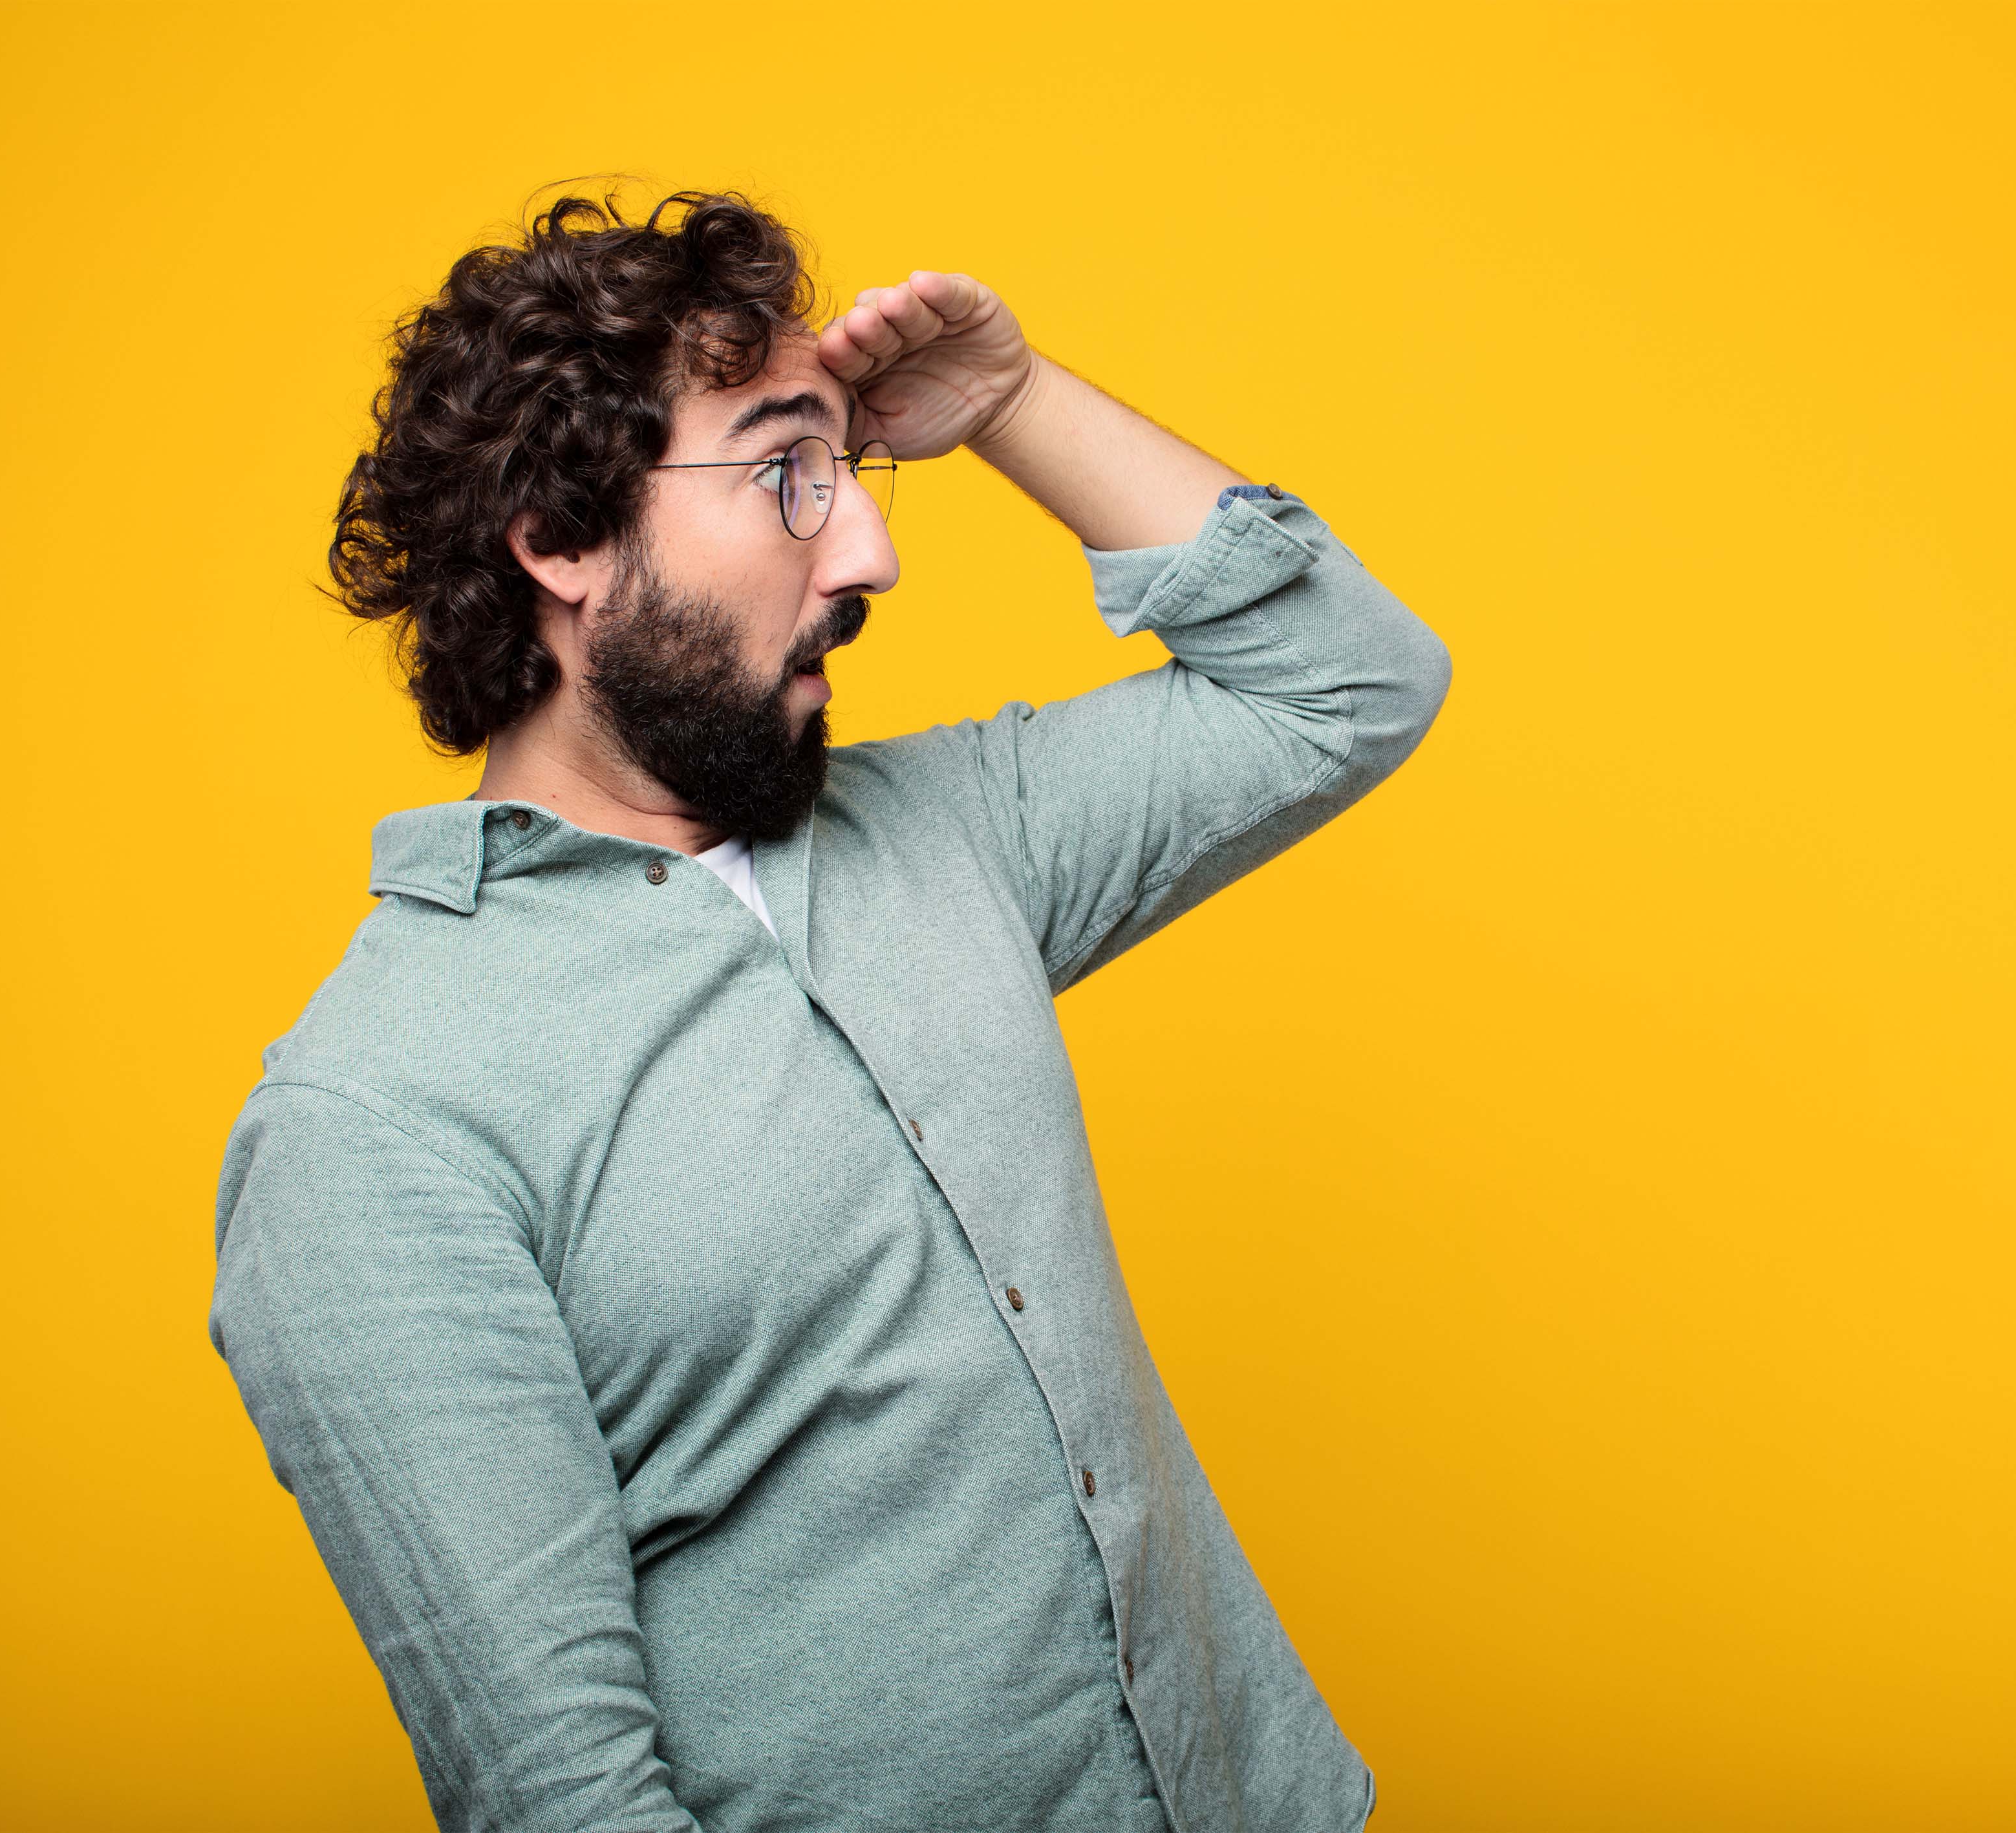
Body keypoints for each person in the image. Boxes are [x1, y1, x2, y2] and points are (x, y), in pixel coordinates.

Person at [207, 186, 1451, 1833]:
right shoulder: (374, 1126)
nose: (867, 548)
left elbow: (1348, 680)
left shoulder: (951, 836)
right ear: (564, 541)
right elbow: (565, 1801)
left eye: (849, 471)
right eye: (788, 471)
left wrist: (1013, 404)